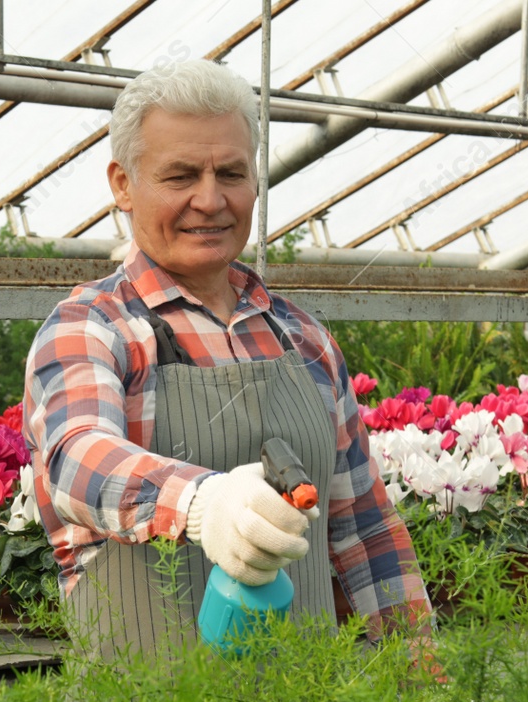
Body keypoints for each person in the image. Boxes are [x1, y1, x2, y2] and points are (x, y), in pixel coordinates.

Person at [22, 58, 432, 661]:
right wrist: (202, 504)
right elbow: (75, 460)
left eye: (232, 173)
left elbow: (365, 529)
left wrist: (419, 676)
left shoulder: (304, 338)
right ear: (123, 185)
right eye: (181, 175)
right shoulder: (94, 327)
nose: (210, 200)